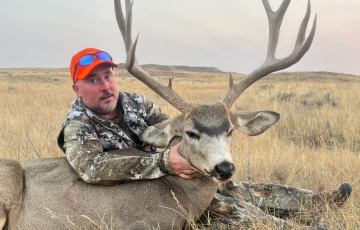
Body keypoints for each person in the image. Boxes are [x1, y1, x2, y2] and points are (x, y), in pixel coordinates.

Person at [57, 47, 351, 229]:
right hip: (138, 196)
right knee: (219, 210)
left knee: (230, 187)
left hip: (172, 178)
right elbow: (90, 167)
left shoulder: (136, 103)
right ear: (77, 88)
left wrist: (199, 146)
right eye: (93, 80)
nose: (105, 85)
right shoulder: (77, 125)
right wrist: (165, 161)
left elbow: (169, 130)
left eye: (108, 76)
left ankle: (314, 201)